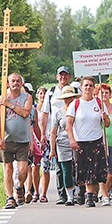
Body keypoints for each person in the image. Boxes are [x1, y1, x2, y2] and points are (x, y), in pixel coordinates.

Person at [66, 76, 110, 208]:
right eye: (86, 85)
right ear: (81, 87)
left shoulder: (99, 103)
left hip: (95, 141)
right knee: (81, 169)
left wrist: (105, 117)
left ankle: (90, 196)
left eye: (90, 85)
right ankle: (81, 190)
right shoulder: (75, 104)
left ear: (94, 88)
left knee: (94, 170)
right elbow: (68, 123)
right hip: (80, 142)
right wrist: (72, 139)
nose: (88, 88)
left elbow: (107, 124)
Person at [0, 73, 34, 209]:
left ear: (22, 83)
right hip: (7, 140)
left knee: (23, 171)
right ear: (8, 83)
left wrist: (10, 105)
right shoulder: (1, 99)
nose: (15, 83)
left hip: (22, 140)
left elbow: (25, 113)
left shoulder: (27, 97)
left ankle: (19, 186)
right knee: (8, 169)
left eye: (18, 81)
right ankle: (10, 197)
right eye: (12, 81)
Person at [40, 66, 72, 204]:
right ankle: (62, 194)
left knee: (73, 166)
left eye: (65, 75)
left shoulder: (74, 90)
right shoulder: (51, 93)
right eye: (60, 75)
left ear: (69, 77)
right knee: (59, 166)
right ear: (56, 77)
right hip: (55, 132)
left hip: (71, 132)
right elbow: (45, 114)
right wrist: (43, 134)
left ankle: (75, 192)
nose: (63, 77)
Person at [49, 86, 80, 206]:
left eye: (71, 98)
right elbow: (53, 132)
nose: (69, 100)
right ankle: (69, 196)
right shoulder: (58, 112)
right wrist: (52, 149)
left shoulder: (79, 109)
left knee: (78, 169)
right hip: (62, 143)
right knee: (66, 170)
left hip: (77, 142)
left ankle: (79, 193)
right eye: (66, 98)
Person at [34, 86, 49, 202]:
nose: (42, 96)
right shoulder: (34, 109)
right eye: (40, 93)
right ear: (37, 96)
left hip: (46, 139)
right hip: (35, 140)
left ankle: (44, 193)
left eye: (44, 93)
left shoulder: (49, 109)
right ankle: (36, 192)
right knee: (35, 167)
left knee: (45, 167)